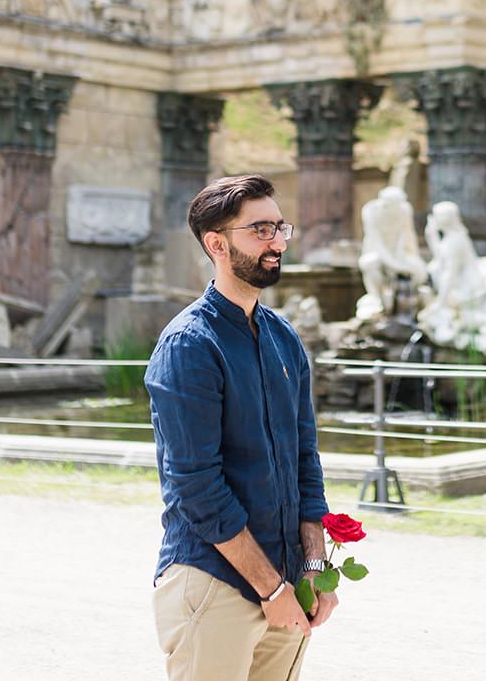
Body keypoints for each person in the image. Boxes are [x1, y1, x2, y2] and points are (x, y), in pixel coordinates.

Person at [146, 175, 333, 681]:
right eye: (260, 230)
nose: (276, 242)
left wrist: (315, 567)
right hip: (214, 583)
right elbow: (196, 487)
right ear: (217, 243)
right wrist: (270, 589)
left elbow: (304, 462)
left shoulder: (283, 337)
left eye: (280, 228)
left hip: (288, 586)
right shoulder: (188, 346)